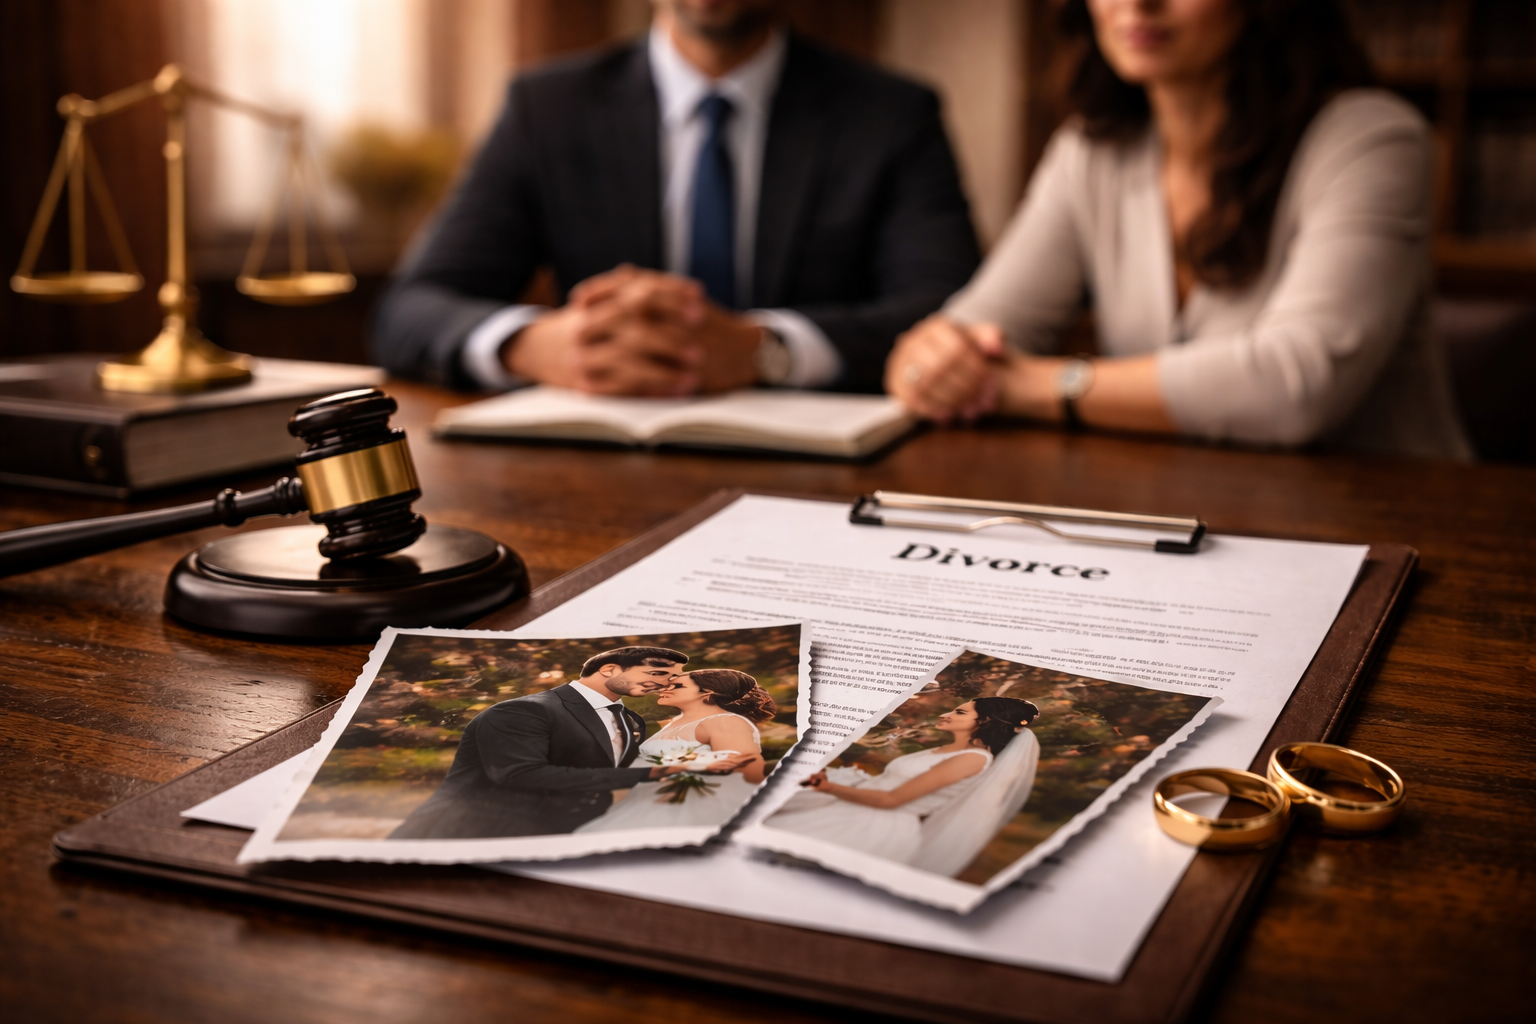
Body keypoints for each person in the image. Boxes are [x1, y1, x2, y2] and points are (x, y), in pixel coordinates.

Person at [885, 0, 1469, 458]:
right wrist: (930, 360)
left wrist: (1030, 386)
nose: (1139, 3)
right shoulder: (1091, 151)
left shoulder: (1373, 139)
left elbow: (1296, 388)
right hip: (1191, 527)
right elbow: (977, 330)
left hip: (1394, 535)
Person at [373, 0, 979, 398]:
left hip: (822, 483)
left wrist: (764, 351)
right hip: (595, 471)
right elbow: (409, 310)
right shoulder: (548, 109)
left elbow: (952, 313)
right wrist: (534, 346)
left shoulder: (892, 114)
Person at [388, 646, 749, 839]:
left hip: (565, 834)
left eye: (672, 679)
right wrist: (662, 773)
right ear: (609, 670)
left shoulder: (632, 720)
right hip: (473, 833)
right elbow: (520, 775)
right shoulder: (522, 711)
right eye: (657, 673)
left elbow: (610, 773)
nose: (664, 684)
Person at [766, 696, 1040, 875]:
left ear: (984, 721)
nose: (946, 713)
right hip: (856, 807)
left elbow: (892, 800)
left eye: (959, 711)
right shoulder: (948, 749)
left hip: (874, 826)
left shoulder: (972, 759)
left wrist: (828, 788)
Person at [576, 668, 777, 832]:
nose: (664, 688)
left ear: (707, 692)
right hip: (639, 805)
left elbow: (746, 771)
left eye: (676, 685)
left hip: (683, 810)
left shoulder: (725, 721)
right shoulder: (674, 723)